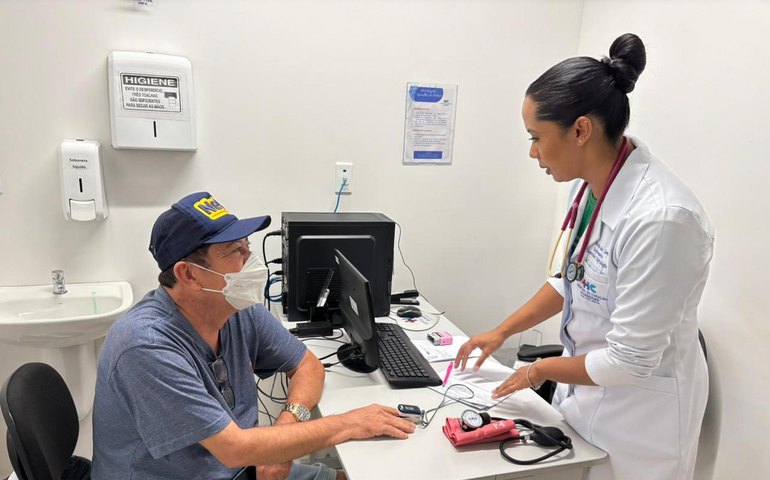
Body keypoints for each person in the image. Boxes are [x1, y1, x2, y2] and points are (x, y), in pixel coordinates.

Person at [455, 33, 713, 480]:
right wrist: (500, 332)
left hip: (642, 424)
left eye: (537, 137)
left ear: (580, 130)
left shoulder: (663, 220)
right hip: (588, 397)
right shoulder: (592, 186)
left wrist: (538, 370)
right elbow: (571, 279)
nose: (532, 152)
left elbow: (629, 361)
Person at [92, 192, 415, 480]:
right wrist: (348, 424)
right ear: (188, 274)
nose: (251, 262)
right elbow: (234, 448)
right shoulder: (145, 345)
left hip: (243, 465)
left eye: (247, 247)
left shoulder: (234, 306)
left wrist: (286, 431)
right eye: (235, 251)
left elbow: (307, 366)